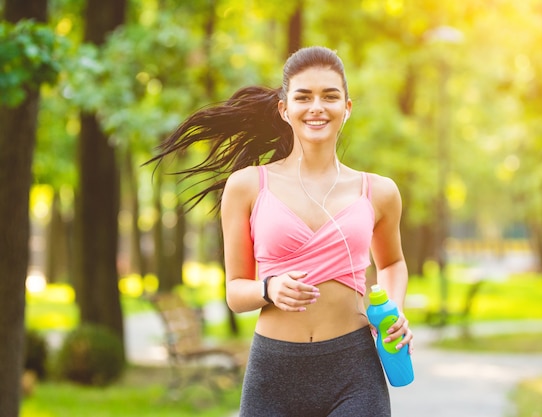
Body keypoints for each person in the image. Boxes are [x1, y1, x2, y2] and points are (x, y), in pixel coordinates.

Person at [150, 45, 413, 417]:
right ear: (284, 109)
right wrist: (269, 287)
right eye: (303, 96)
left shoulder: (379, 191)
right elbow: (236, 293)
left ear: (347, 108)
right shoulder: (247, 186)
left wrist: (395, 309)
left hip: (354, 369)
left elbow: (393, 263)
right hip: (274, 374)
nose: (317, 107)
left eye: (330, 96)